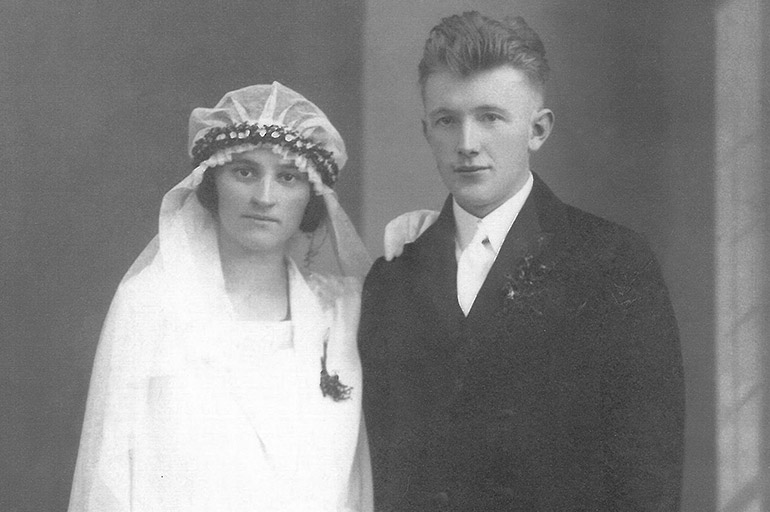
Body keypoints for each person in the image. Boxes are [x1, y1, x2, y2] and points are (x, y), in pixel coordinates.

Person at [360, 12, 685, 511]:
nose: (467, 144)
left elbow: (649, 477)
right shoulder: (393, 277)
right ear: (426, 131)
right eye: (447, 120)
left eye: (490, 117)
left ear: (538, 129)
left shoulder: (611, 262)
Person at [68, 82, 373, 511]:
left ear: (310, 197)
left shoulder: (340, 317)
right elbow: (108, 478)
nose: (264, 197)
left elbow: (353, 487)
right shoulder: (151, 305)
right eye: (245, 172)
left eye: (287, 177)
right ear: (212, 183)